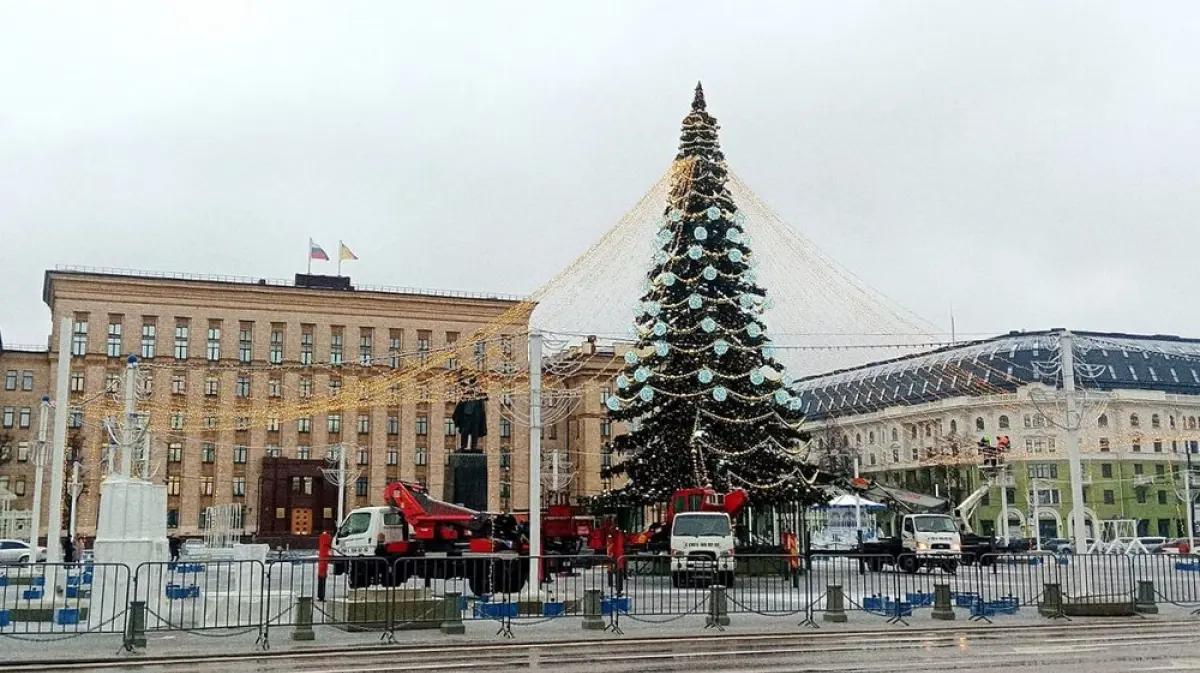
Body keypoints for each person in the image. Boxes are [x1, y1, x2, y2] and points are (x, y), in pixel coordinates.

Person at [317, 530, 332, 602]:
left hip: (322, 563)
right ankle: (321, 595)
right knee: (322, 577)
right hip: (324, 563)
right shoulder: (326, 542)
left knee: (321, 576)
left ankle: (320, 595)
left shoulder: (323, 542)